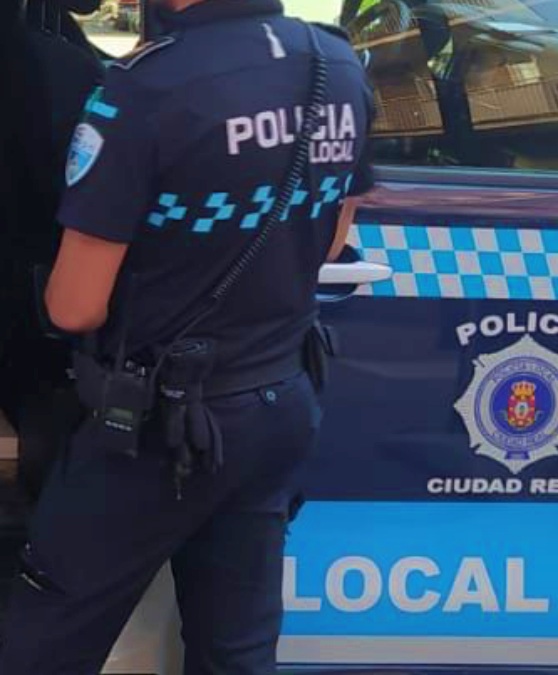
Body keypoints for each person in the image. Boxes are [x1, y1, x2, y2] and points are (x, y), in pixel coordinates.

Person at [0, 0, 374, 671]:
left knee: (42, 637)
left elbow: (75, 307)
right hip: (277, 402)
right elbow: (333, 238)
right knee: (236, 648)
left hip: (156, 435)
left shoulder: (143, 90)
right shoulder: (337, 64)